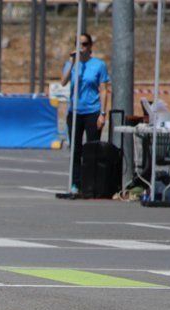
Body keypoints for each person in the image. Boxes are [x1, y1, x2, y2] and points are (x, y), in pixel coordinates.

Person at [61, 33, 110, 193]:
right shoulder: (73, 65)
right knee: (76, 148)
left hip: (92, 111)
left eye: (84, 44)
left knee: (91, 148)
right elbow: (63, 81)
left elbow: (103, 90)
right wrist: (71, 61)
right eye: (78, 44)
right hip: (75, 111)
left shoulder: (98, 65)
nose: (81, 47)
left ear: (90, 46)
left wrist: (103, 113)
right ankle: (76, 183)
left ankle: (92, 182)